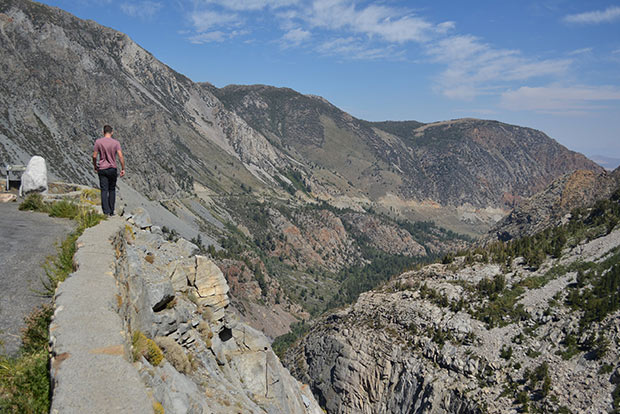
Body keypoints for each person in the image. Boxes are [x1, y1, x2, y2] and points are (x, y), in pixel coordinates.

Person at [92, 125, 125, 216]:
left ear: (103, 132)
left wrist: (95, 166)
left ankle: (105, 211)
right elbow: (120, 156)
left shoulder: (98, 142)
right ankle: (111, 211)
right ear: (112, 132)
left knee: (104, 190)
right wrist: (123, 168)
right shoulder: (116, 143)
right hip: (112, 168)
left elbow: (94, 156)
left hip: (102, 168)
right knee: (112, 190)